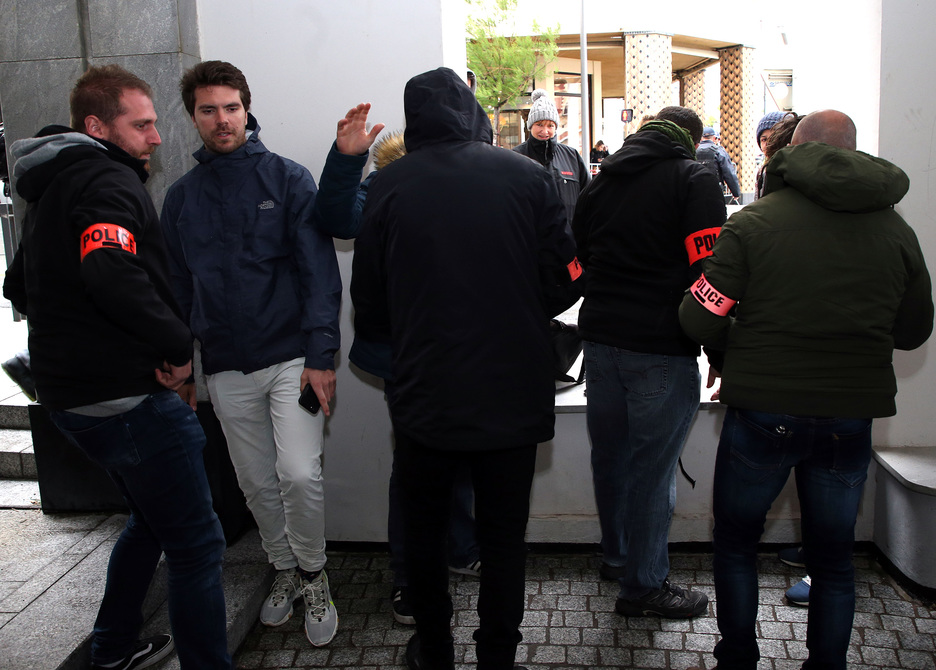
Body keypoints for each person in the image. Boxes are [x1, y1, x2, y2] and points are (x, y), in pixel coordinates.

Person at [679, 109, 933, 670]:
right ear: (856, 152)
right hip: (848, 418)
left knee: (738, 545)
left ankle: (738, 658)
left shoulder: (753, 223)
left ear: (793, 150)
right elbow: (915, 330)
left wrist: (743, 329)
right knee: (836, 561)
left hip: (763, 414)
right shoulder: (896, 230)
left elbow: (698, 317)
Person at [352, 66, 584, 670]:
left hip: (427, 395)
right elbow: (564, 283)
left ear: (414, 119)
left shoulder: (388, 187)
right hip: (512, 393)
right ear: (472, 110)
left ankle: (434, 651)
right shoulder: (529, 177)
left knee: (425, 539)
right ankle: (497, 658)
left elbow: (369, 304)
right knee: (504, 539)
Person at [2, 64, 231, 668]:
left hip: (71, 401)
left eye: (156, 123)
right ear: (98, 126)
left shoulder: (55, 186)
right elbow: (109, 272)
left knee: (150, 524)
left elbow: (16, 284)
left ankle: (111, 649)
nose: (157, 137)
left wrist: (80, 339)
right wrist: (176, 349)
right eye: (143, 125)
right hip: (127, 403)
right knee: (196, 543)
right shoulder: (107, 180)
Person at [160, 61, 341, 647]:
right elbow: (176, 288)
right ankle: (283, 569)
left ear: (247, 108)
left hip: (292, 357)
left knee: (298, 473)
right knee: (257, 483)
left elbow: (319, 276)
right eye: (208, 110)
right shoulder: (181, 197)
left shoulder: (288, 180)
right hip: (225, 365)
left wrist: (321, 357)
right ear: (193, 116)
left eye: (231, 108)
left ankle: (314, 573)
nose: (222, 120)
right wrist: (183, 363)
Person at [312, 105, 481, 626]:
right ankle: (409, 579)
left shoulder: (468, 182)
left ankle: (457, 548)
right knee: (416, 466)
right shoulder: (386, 182)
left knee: (456, 452)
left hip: (460, 349)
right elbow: (338, 220)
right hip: (405, 354)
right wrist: (348, 160)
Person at [571, 106, 726, 619]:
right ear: (693, 139)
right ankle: (643, 586)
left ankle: (618, 556)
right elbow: (709, 274)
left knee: (610, 457)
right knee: (652, 471)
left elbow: (579, 255)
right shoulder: (694, 180)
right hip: (661, 344)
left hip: (599, 341)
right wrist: (719, 351)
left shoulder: (602, 180)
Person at [513, 88, 590, 224]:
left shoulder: (572, 157)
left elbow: (589, 198)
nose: (545, 130)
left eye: (550, 125)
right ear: (530, 126)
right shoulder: (515, 157)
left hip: (568, 240)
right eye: (539, 124)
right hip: (529, 241)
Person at [696, 126, 741, 202]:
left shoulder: (694, 150)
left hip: (695, 190)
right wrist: (735, 192)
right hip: (715, 190)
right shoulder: (718, 151)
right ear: (714, 138)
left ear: (701, 138)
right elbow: (729, 172)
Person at [753, 110, 786, 199]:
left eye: (774, 138)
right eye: (764, 139)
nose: (769, 144)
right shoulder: (762, 171)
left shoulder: (792, 172)